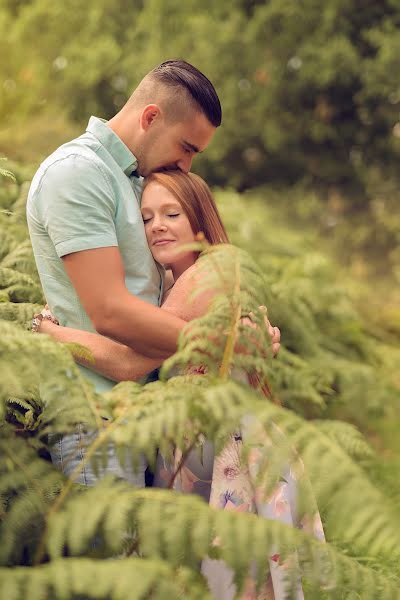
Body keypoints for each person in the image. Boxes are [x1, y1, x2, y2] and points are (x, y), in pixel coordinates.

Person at [37, 171, 322, 600]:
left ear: (200, 224)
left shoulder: (201, 282)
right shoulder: (173, 282)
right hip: (200, 449)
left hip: (229, 454)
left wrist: (50, 332)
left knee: (229, 580)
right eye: (147, 216)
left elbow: (131, 361)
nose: (157, 225)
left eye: (172, 213)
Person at [27, 58, 280, 487]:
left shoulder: (138, 180)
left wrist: (236, 320)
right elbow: (112, 312)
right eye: (187, 147)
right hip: (95, 418)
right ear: (150, 117)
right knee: (114, 553)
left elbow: (178, 286)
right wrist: (222, 345)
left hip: (148, 416)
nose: (187, 165)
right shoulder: (79, 173)